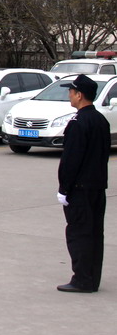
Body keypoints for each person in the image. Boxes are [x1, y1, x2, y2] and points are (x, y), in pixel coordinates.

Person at [55, 74, 109, 293]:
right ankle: (92, 278)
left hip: (80, 189)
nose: (69, 95)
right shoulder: (100, 120)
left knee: (79, 234)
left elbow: (71, 159)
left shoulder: (78, 123)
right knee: (95, 233)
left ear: (79, 95)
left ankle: (82, 279)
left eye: (71, 91)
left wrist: (64, 188)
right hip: (97, 187)